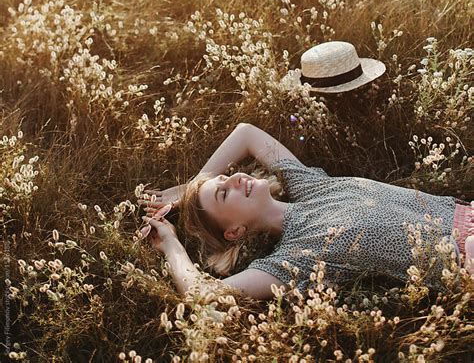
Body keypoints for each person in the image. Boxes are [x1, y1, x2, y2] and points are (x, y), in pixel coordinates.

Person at [137, 122, 474, 300]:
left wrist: (192, 186)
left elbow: (247, 133)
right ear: (235, 232)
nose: (238, 177)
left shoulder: (309, 186)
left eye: (228, 176)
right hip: (465, 259)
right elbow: (203, 294)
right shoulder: (296, 259)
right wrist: (169, 242)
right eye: (225, 194)